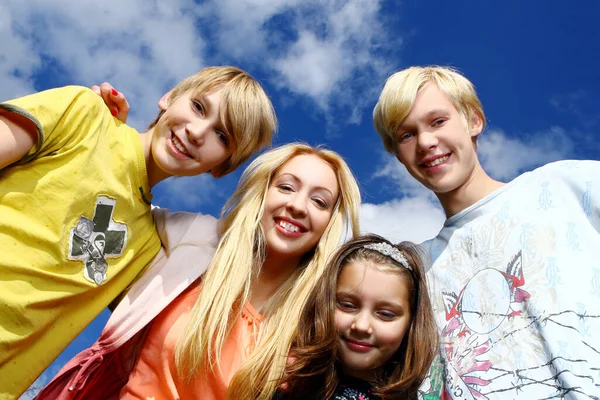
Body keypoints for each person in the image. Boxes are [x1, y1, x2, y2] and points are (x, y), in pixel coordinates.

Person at [0, 66, 277, 399]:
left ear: (223, 165)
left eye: (222, 136)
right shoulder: (84, 115)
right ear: (169, 98)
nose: (197, 132)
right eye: (199, 107)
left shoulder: (147, 249)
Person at [37, 143, 362, 400]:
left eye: (320, 202)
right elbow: (113, 199)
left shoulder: (317, 322)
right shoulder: (195, 237)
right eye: (286, 188)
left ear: (330, 223)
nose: (298, 206)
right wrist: (109, 133)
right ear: (261, 193)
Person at [373, 65, 600, 398]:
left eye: (438, 121)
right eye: (406, 135)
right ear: (398, 155)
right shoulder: (416, 268)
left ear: (473, 121)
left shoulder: (569, 184)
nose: (425, 141)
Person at [277, 234, 437, 400]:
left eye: (386, 314)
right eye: (347, 305)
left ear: (411, 324)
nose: (361, 325)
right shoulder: (286, 383)